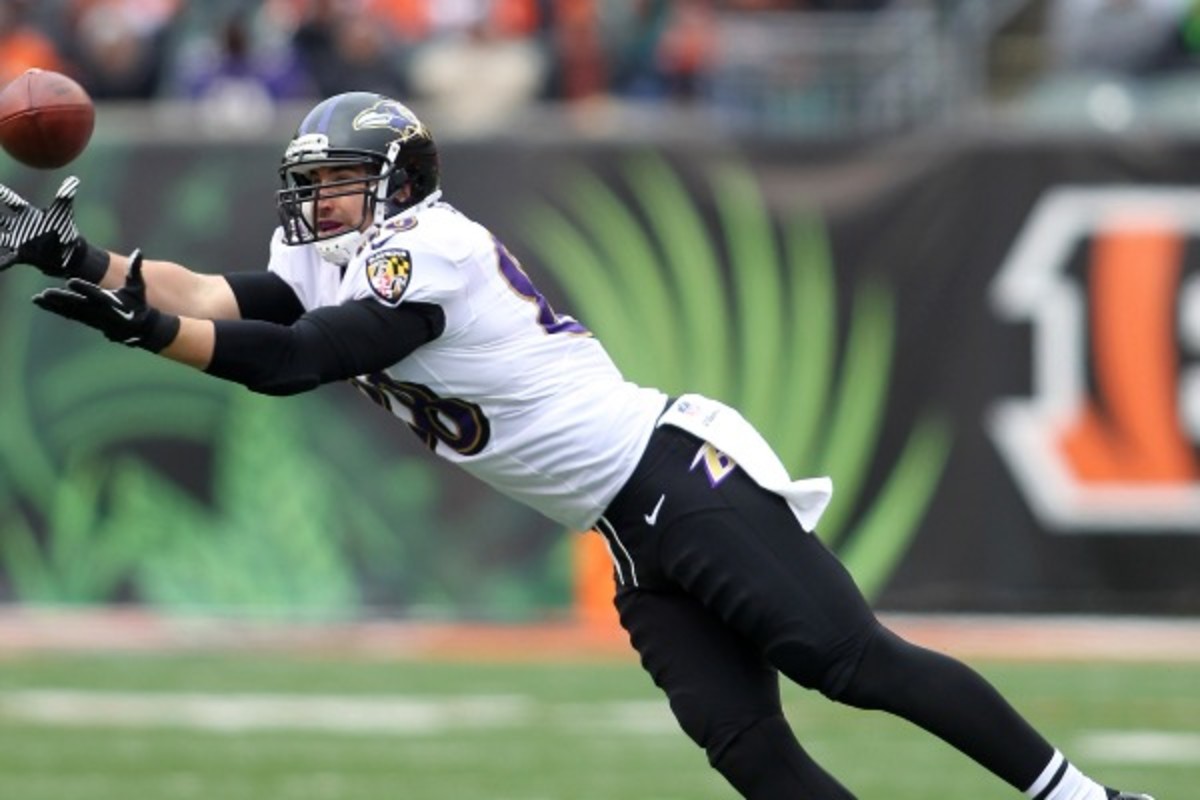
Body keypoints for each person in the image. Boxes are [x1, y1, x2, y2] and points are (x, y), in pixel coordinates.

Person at [0, 91, 1155, 800]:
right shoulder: (334, 253)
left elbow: (298, 360)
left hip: (674, 476)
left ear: (398, 183)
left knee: (849, 662)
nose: (322, 208)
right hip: (620, 525)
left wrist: (147, 331)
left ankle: (1081, 796)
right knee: (746, 744)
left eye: (341, 186)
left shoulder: (429, 251)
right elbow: (218, 290)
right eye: (316, 188)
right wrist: (84, 260)